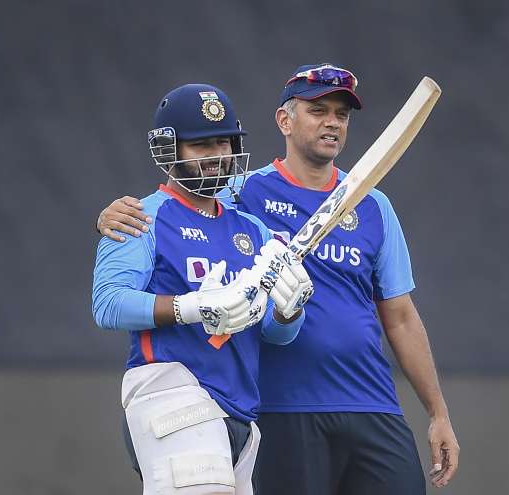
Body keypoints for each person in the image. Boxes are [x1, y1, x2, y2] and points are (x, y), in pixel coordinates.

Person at [97, 65, 460, 494]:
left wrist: (289, 311)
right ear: (284, 121)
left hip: (345, 402)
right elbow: (171, 215)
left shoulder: (346, 210)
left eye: (341, 114)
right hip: (251, 402)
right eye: (318, 110)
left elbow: (396, 316)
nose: (331, 122)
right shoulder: (238, 196)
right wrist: (113, 221)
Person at [92, 83, 313, 495]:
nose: (216, 155)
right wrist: (191, 306)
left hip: (241, 408)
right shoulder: (141, 216)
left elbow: (275, 333)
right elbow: (108, 304)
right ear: (169, 150)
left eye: (223, 143)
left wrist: (290, 310)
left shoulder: (253, 229)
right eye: (200, 145)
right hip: (172, 391)